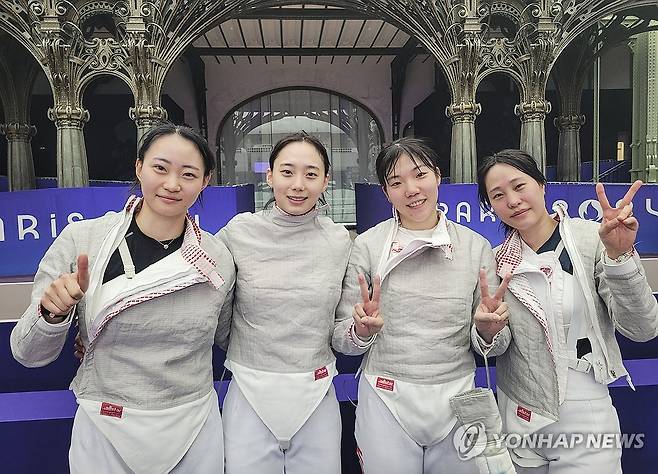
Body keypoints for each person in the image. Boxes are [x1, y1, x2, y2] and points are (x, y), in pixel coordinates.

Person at [11, 123, 235, 473]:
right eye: (160, 168)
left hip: (192, 423)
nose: (172, 184)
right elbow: (27, 353)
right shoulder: (84, 241)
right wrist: (51, 314)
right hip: (105, 422)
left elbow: (227, 335)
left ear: (206, 180)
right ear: (138, 167)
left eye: (188, 174)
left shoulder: (217, 257)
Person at [332, 137, 512, 473]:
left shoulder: (475, 246)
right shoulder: (368, 246)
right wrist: (360, 330)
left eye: (420, 175)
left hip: (457, 396)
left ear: (438, 176)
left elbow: (496, 345)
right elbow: (342, 341)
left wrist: (489, 331)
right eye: (396, 182)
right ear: (386, 193)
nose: (411, 190)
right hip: (386, 396)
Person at [476, 148, 658, 473]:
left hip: (583, 410)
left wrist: (619, 257)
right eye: (499, 195)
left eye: (519, 186)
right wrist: (487, 332)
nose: (513, 201)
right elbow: (499, 345)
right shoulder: (496, 261)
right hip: (517, 412)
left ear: (541, 184)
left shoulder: (591, 239)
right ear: (491, 207)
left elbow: (642, 328)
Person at [217, 132, 352, 474]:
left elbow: (345, 319)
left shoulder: (339, 240)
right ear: (270, 175)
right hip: (249, 390)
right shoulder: (238, 232)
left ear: (326, 180)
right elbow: (203, 295)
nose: (298, 185)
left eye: (310, 174)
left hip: (316, 389)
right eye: (287, 172)